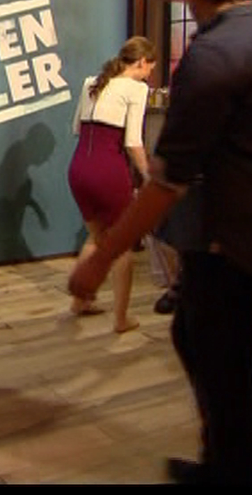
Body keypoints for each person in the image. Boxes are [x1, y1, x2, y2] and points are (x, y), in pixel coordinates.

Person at [69, 0, 252, 484]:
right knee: (200, 341)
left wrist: (100, 259)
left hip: (226, 244)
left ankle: (233, 474)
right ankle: (222, 465)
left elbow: (167, 181)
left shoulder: (211, 55)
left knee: (222, 367)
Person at [66, 36, 157, 333]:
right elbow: (132, 142)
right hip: (107, 171)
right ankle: (121, 319)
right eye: (150, 68)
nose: (149, 75)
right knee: (122, 245)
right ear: (141, 62)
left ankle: (80, 301)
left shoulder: (91, 82)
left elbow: (76, 128)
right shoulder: (137, 89)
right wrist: (149, 176)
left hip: (78, 169)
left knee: (96, 238)